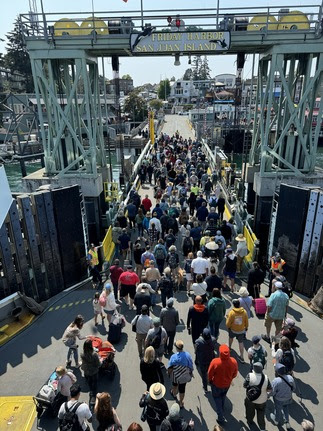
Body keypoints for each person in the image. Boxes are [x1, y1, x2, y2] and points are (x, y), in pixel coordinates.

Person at [208, 344, 238, 424]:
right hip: (227, 384)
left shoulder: (215, 362)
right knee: (223, 395)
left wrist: (210, 380)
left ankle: (220, 417)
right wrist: (230, 378)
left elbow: (210, 373)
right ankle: (222, 406)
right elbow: (235, 373)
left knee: (217, 398)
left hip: (216, 384)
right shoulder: (233, 361)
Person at [243, 362, 272, 431]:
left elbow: (244, 385)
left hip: (251, 399)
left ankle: (249, 421)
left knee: (249, 411)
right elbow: (269, 389)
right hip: (262, 400)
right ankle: (262, 428)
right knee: (261, 414)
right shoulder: (266, 378)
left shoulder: (249, 375)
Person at [167, 340, 194, 409]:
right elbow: (190, 365)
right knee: (182, 389)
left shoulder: (173, 356)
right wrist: (191, 373)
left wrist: (169, 374)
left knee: (175, 385)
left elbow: (170, 367)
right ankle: (181, 402)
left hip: (175, 376)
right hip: (184, 376)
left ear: (176, 347)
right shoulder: (187, 355)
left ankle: (174, 393)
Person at [270, 363, 295, 429]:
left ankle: (276, 421)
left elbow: (272, 392)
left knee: (277, 409)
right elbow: (294, 388)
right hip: (288, 398)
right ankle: (287, 422)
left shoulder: (276, 381)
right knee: (285, 408)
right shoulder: (290, 378)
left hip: (278, 399)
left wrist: (267, 396)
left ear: (277, 372)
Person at [226, 299, 248, 363]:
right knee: (241, 342)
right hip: (241, 330)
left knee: (230, 338)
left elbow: (228, 323)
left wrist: (228, 327)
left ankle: (229, 348)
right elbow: (246, 322)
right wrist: (246, 327)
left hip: (233, 330)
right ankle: (242, 356)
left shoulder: (231, 313)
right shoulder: (244, 312)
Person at [195, 328, 216, 394]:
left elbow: (196, 350)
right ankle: (212, 384)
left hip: (203, 361)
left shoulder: (198, 342)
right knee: (212, 373)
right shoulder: (213, 340)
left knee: (204, 375)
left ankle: (205, 387)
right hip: (211, 360)